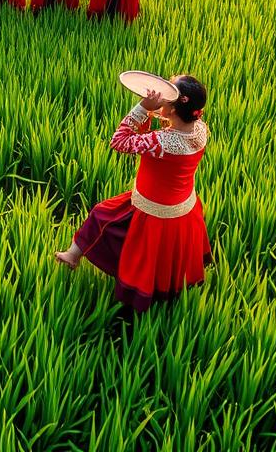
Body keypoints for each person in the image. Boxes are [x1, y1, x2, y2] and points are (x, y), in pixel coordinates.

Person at [55, 77, 212, 313]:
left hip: (153, 209)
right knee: (163, 258)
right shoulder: (199, 129)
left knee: (104, 218)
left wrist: (142, 108)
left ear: (175, 107)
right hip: (182, 209)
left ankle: (80, 261)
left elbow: (119, 141)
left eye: (167, 93)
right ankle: (73, 255)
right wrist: (157, 110)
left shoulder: (162, 142)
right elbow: (160, 132)